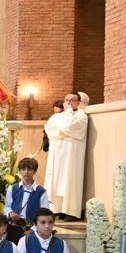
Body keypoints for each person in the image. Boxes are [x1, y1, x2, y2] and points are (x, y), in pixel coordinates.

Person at [43, 92, 88, 220]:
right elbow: (50, 130)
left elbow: (69, 127)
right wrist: (64, 131)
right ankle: (56, 209)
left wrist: (64, 126)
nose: (68, 102)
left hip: (71, 155)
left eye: (72, 100)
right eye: (66, 100)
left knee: (70, 180)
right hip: (57, 154)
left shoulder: (81, 116)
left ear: (78, 103)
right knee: (55, 181)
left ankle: (71, 211)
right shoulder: (56, 116)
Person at [4, 157, 49, 244]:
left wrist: (32, 230)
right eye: (23, 169)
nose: (26, 172)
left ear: (35, 171)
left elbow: (44, 214)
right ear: (20, 171)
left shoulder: (41, 191)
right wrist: (10, 213)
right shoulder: (12, 188)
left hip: (33, 229)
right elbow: (7, 206)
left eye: (30, 169)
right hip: (14, 227)